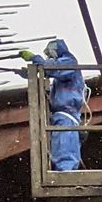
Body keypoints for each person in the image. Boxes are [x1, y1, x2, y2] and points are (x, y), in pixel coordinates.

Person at [26, 37, 85, 173]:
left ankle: (65, 173)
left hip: (67, 114)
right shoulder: (62, 74)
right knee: (62, 145)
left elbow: (53, 68)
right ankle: (64, 171)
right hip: (64, 115)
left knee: (64, 146)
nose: (49, 57)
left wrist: (36, 59)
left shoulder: (69, 62)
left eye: (50, 53)